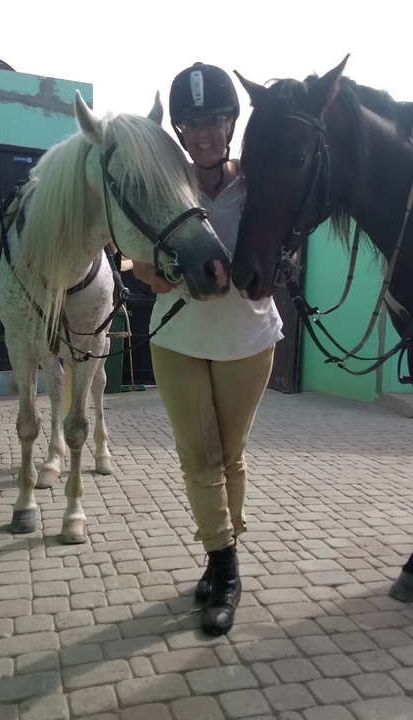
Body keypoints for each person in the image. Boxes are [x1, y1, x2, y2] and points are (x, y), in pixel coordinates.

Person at [132, 63, 283, 636]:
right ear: (179, 129)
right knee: (198, 456)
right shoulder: (165, 185)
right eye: (192, 122)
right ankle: (226, 570)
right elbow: (131, 246)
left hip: (246, 339)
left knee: (228, 455)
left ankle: (220, 557)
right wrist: (147, 271)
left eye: (215, 119)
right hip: (177, 337)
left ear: (231, 123)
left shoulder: (258, 183)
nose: (204, 132)